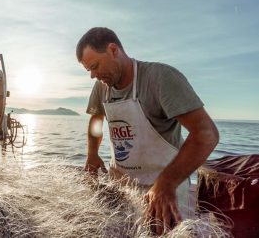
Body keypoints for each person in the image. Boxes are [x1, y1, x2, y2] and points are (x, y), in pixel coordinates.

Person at [76, 27, 219, 235]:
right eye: (88, 70)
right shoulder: (101, 87)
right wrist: (92, 154)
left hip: (164, 188)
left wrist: (167, 183)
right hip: (121, 185)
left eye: (95, 66)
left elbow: (206, 134)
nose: (93, 75)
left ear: (113, 50)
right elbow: (96, 121)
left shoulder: (159, 78)